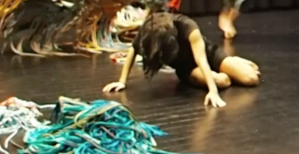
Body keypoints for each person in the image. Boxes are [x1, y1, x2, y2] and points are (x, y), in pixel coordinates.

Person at [102, 11, 260, 108]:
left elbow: (201, 59)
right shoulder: (150, 30)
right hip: (188, 69)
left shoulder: (187, 26)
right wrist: (122, 81)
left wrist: (212, 91)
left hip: (209, 54)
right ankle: (227, 69)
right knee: (223, 81)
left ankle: (234, 61)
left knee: (251, 78)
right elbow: (133, 49)